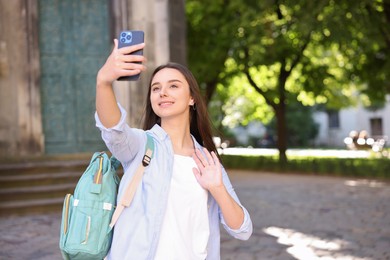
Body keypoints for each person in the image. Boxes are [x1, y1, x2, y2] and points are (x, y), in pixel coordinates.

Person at [95, 39, 253, 259]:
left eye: (173, 85)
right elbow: (114, 130)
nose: (163, 93)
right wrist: (103, 82)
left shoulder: (206, 160)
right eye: (156, 88)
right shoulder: (140, 146)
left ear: (192, 98)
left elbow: (243, 229)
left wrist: (217, 188)